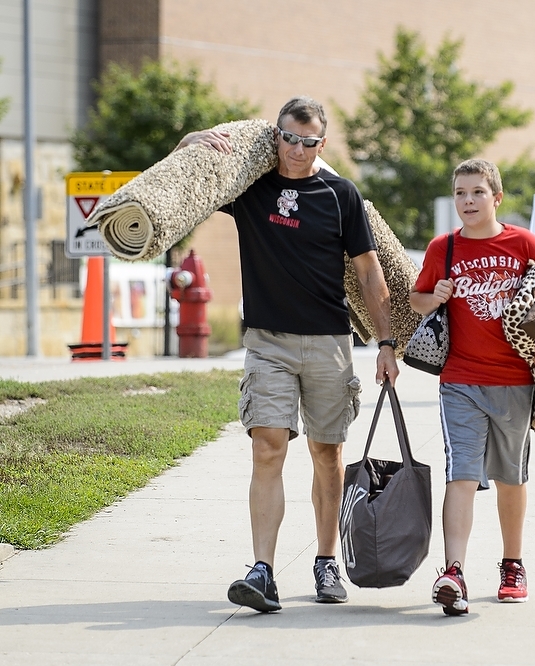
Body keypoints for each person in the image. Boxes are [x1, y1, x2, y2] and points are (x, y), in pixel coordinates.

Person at [176, 96, 400, 613]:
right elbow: (187, 184)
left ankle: (326, 562)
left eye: (308, 141)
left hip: (328, 341)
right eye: (288, 137)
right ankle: (263, 571)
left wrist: (385, 343)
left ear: (322, 144)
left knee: (327, 454)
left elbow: (369, 272)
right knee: (268, 445)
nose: (296, 149)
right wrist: (191, 142)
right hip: (267, 342)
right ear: (275, 135)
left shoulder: (340, 194)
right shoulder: (251, 188)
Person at [410, 158, 535, 616]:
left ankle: (512, 565)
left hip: (515, 381)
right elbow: (417, 300)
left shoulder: (523, 243)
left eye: (477, 192)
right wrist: (432, 296)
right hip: (460, 381)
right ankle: (452, 572)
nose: (468, 201)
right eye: (460, 193)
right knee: (461, 476)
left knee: (510, 478)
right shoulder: (444, 247)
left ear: (496, 198)